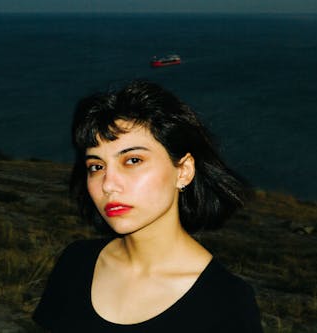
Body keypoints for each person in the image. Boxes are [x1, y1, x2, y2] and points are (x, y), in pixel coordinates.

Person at [32, 80, 263, 332]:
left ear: (184, 171)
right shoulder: (76, 263)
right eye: (96, 166)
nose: (108, 184)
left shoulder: (227, 303)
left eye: (132, 160)